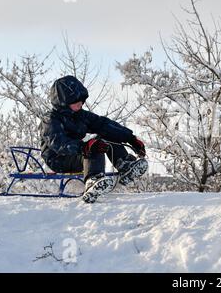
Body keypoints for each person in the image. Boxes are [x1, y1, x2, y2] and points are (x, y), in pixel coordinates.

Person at [40, 75, 148, 203]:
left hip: (77, 152)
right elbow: (58, 143)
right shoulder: (51, 120)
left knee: (104, 136)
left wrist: (130, 138)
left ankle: (124, 165)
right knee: (93, 147)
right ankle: (93, 180)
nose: (80, 103)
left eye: (81, 100)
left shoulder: (80, 115)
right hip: (58, 158)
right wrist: (84, 147)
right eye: (75, 101)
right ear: (63, 103)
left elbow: (104, 125)